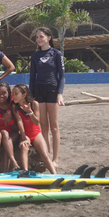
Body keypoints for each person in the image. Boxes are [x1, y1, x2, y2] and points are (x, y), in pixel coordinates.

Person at [29, 27, 65, 169]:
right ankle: (47, 156)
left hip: (52, 90)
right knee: (43, 125)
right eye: (37, 37)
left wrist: (59, 93)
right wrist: (31, 97)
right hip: (39, 91)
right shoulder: (35, 56)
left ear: (49, 37)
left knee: (54, 126)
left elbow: (62, 76)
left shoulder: (56, 54)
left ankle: (55, 159)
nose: (39, 39)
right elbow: (32, 77)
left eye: (41, 36)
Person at [11, 84, 56, 174]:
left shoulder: (34, 104)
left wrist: (30, 112)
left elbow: (36, 122)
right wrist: (23, 137)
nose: (13, 96)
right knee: (24, 148)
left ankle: (55, 174)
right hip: (25, 133)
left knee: (45, 154)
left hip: (36, 133)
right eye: (12, 94)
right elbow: (20, 122)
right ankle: (25, 172)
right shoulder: (15, 106)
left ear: (24, 95)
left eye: (16, 94)